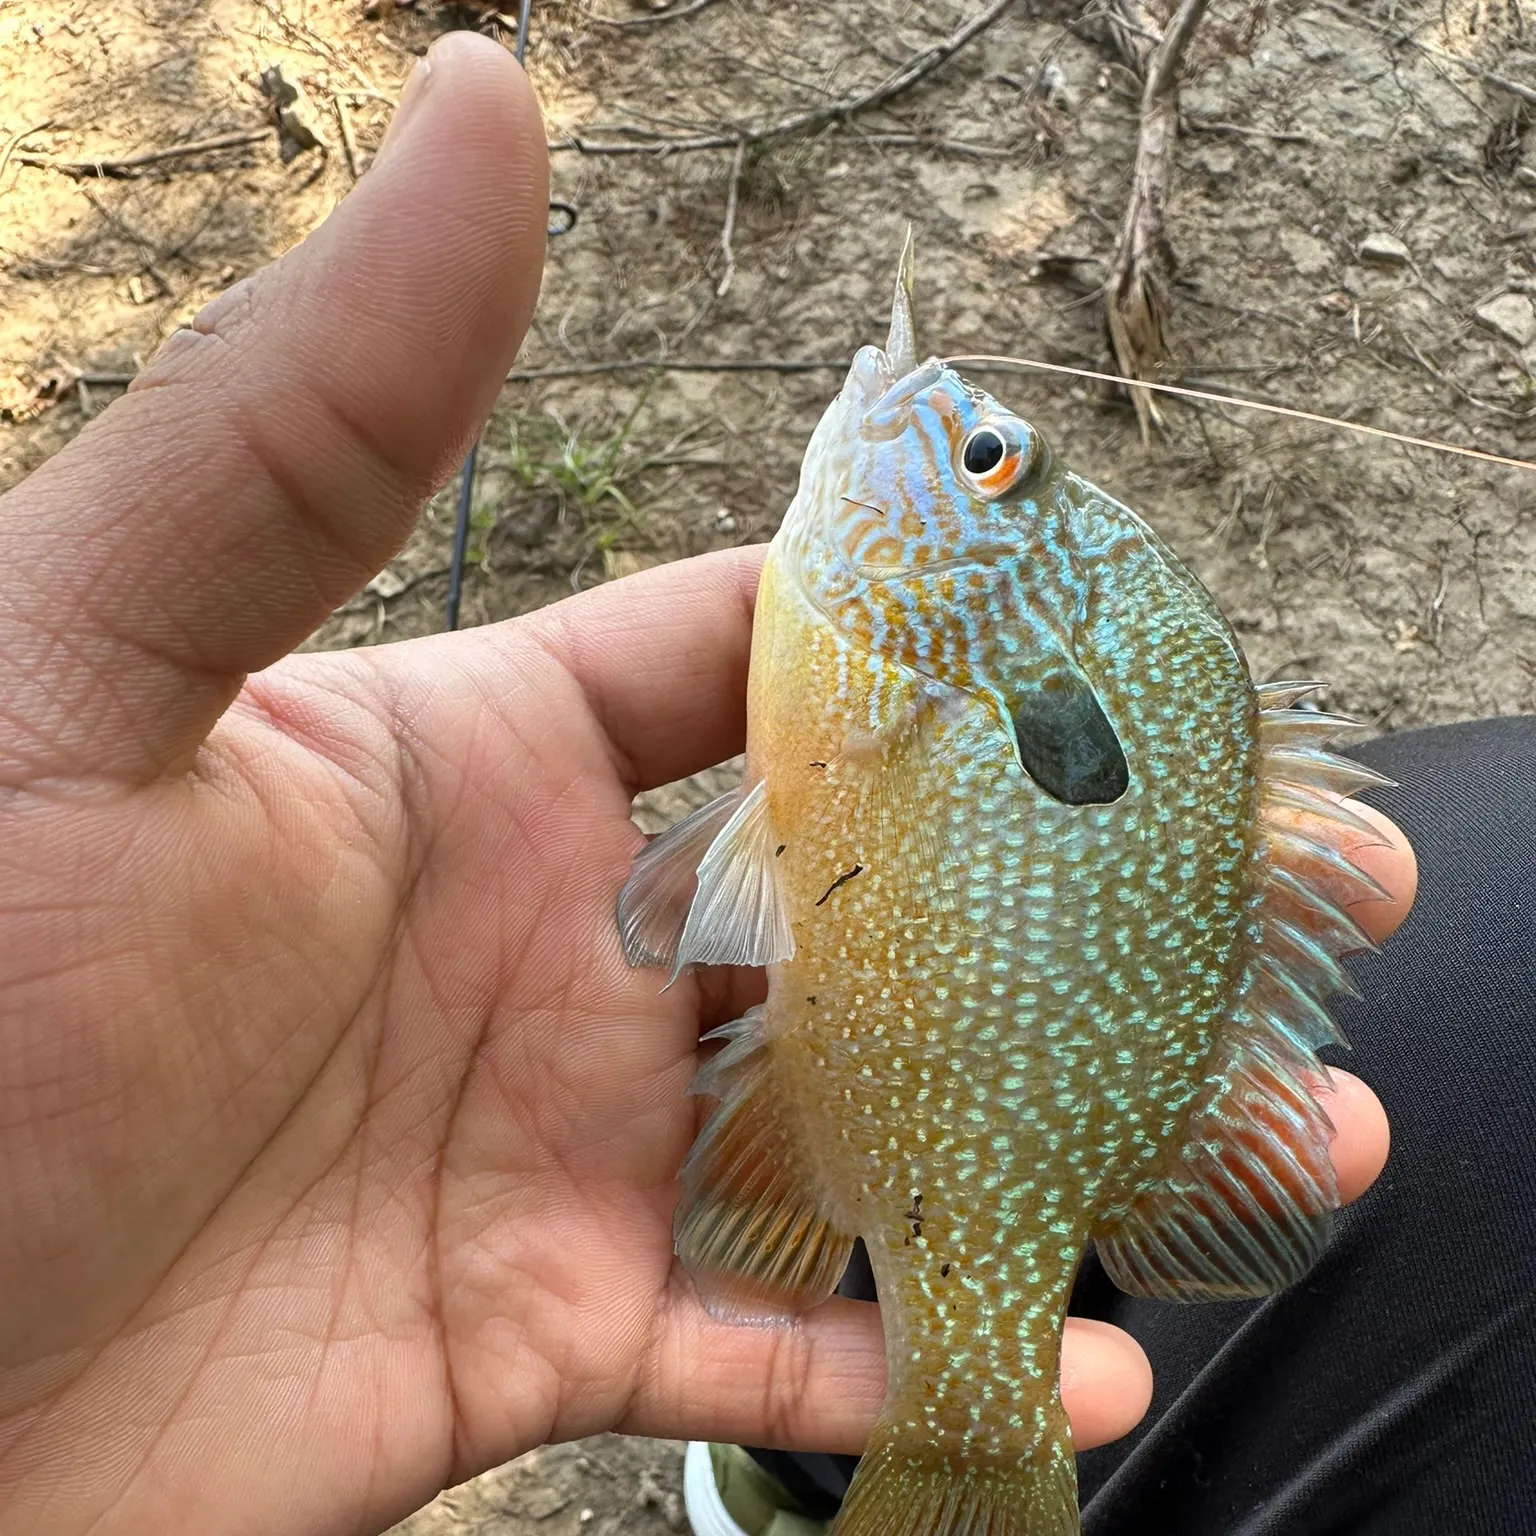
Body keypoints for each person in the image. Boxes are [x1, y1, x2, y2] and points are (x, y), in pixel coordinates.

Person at [0, 32, 1510, 1536]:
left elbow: (758, 863)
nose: (948, 421)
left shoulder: (926, 661)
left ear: (997, 606)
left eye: (982, 462)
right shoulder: (897, 659)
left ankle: (837, 1476)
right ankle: (800, 1481)